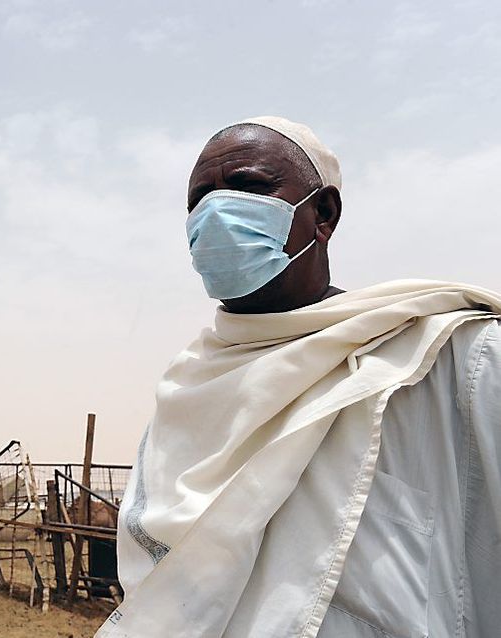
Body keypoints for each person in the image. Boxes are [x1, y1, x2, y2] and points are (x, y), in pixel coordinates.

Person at [98, 117, 501, 637]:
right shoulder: (184, 393)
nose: (216, 212)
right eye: (200, 200)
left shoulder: (456, 360)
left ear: (323, 214)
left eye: (249, 187)